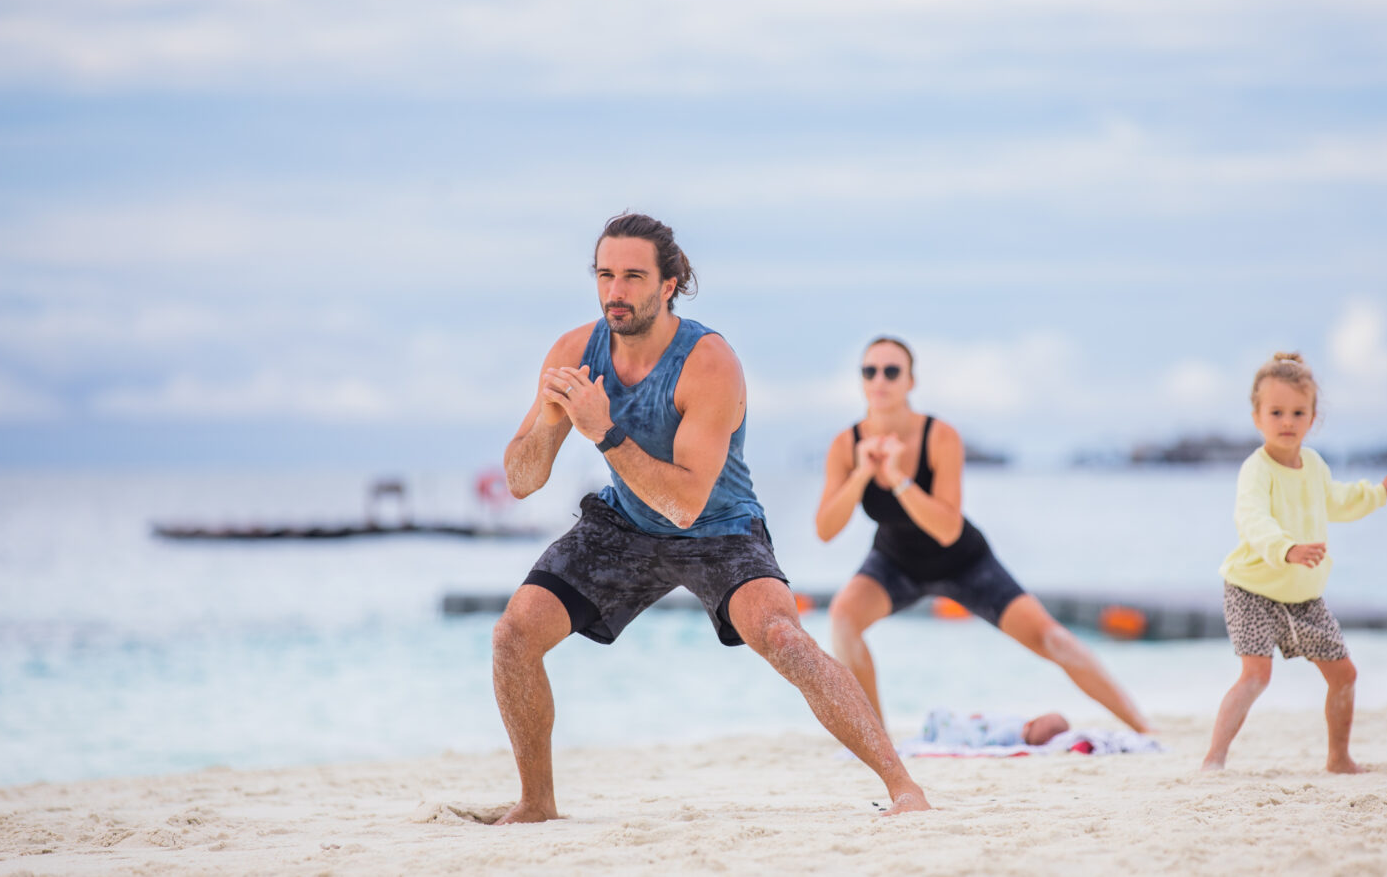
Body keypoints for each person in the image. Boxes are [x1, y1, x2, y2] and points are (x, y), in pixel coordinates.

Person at [491, 214, 928, 824]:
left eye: (633, 277)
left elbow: (687, 503)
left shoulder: (709, 361)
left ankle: (904, 787)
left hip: (719, 525)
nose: (616, 291)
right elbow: (520, 480)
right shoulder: (575, 351)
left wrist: (602, 429)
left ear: (668, 284)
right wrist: (549, 419)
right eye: (605, 275)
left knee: (783, 637)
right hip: (624, 523)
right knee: (514, 634)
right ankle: (536, 803)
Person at [814, 335, 1152, 734]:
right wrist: (863, 475)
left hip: (963, 560)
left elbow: (946, 528)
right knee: (842, 619)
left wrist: (897, 478)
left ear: (911, 382)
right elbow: (826, 530)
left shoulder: (940, 437)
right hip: (894, 560)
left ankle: (1145, 730)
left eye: (891, 371)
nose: (880, 380)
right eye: (870, 371)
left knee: (1053, 639)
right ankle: (878, 740)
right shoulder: (846, 444)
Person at [1201, 352, 1387, 774]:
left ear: (1313, 418)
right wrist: (1286, 549)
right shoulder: (1255, 470)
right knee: (1256, 675)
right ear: (1257, 417)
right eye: (1276, 412)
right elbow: (1252, 518)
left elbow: (1340, 500)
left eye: (1298, 412)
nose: (1287, 421)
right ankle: (1213, 760)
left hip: (1303, 596)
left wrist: (1378, 492)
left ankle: (1339, 758)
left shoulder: (1313, 465)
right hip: (1251, 589)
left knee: (1344, 674)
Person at [920, 709, 1072, 747]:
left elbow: (991, 740)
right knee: (941, 719)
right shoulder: (1016, 726)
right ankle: (926, 739)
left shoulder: (1013, 730)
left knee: (939, 714)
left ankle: (925, 740)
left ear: (1031, 722)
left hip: (972, 733)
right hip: (975, 724)